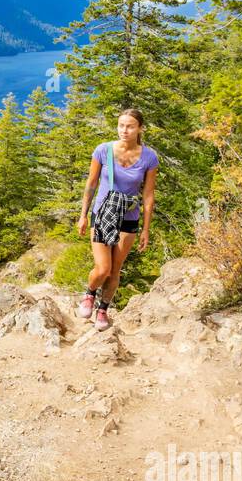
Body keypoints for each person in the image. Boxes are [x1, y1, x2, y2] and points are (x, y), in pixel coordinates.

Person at [75, 108, 158, 330]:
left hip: (129, 217)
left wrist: (146, 229)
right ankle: (89, 294)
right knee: (103, 268)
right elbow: (91, 184)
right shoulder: (103, 150)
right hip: (103, 213)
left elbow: (148, 195)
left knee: (115, 269)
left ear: (140, 128)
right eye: (121, 125)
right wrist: (83, 215)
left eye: (130, 126)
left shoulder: (149, 157)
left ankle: (103, 310)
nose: (124, 130)